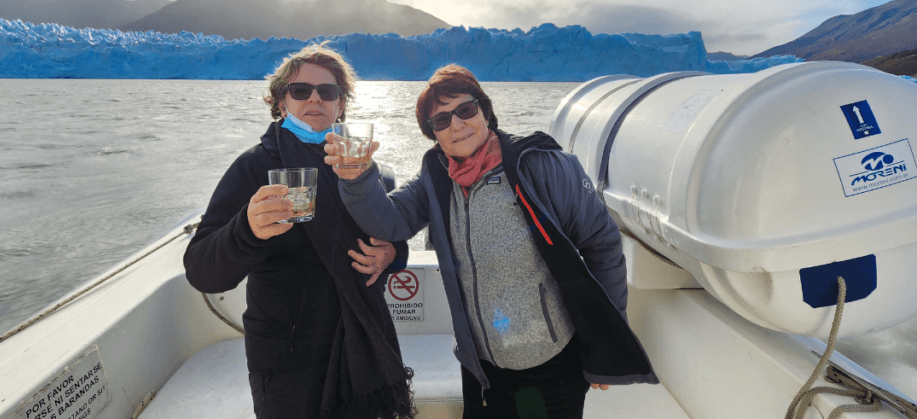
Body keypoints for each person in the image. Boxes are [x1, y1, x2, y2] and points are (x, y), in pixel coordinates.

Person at [326, 64, 658, 418]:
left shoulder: (543, 166)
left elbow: (601, 245)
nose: (456, 124)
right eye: (440, 121)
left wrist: (604, 340)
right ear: (433, 134)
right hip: (480, 369)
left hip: (548, 364)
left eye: (465, 110)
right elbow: (390, 222)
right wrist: (358, 178)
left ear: (485, 111)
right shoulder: (436, 179)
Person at [184, 44, 414, 419]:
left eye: (328, 91)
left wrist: (392, 255)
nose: (315, 99)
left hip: (361, 345)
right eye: (300, 90)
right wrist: (248, 228)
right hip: (289, 362)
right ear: (281, 102)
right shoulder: (255, 167)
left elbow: (393, 238)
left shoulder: (368, 170)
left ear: (341, 104)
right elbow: (202, 270)